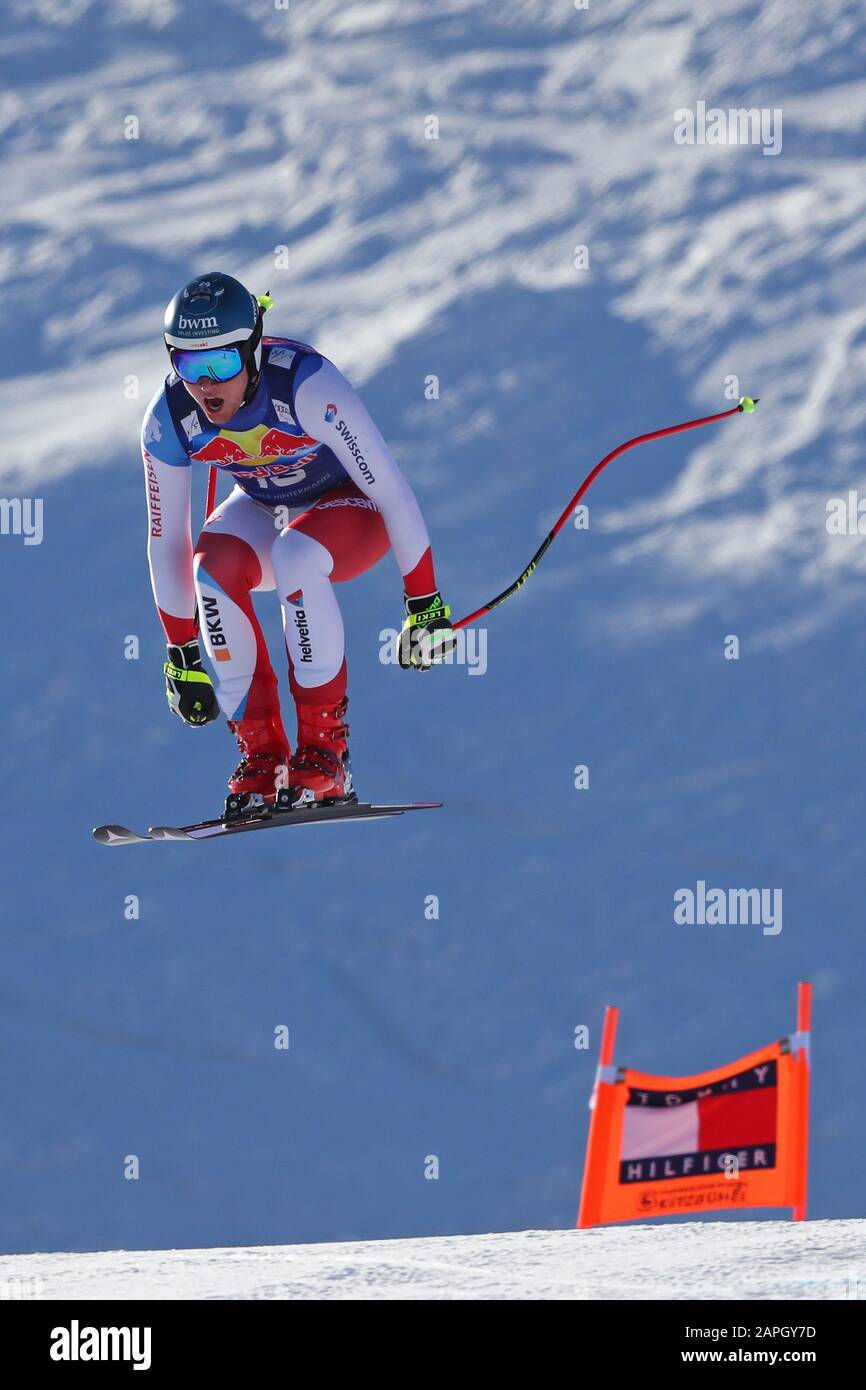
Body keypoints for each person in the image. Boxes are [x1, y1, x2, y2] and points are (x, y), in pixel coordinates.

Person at [141, 271, 454, 810]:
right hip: (268, 506)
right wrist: (181, 650)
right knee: (209, 567)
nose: (206, 384)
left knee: (297, 555)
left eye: (221, 363)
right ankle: (263, 757)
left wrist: (423, 603)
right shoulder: (170, 418)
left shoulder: (307, 387)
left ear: (253, 348)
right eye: (188, 364)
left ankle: (326, 755)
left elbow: (394, 493)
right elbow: (167, 538)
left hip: (351, 509)